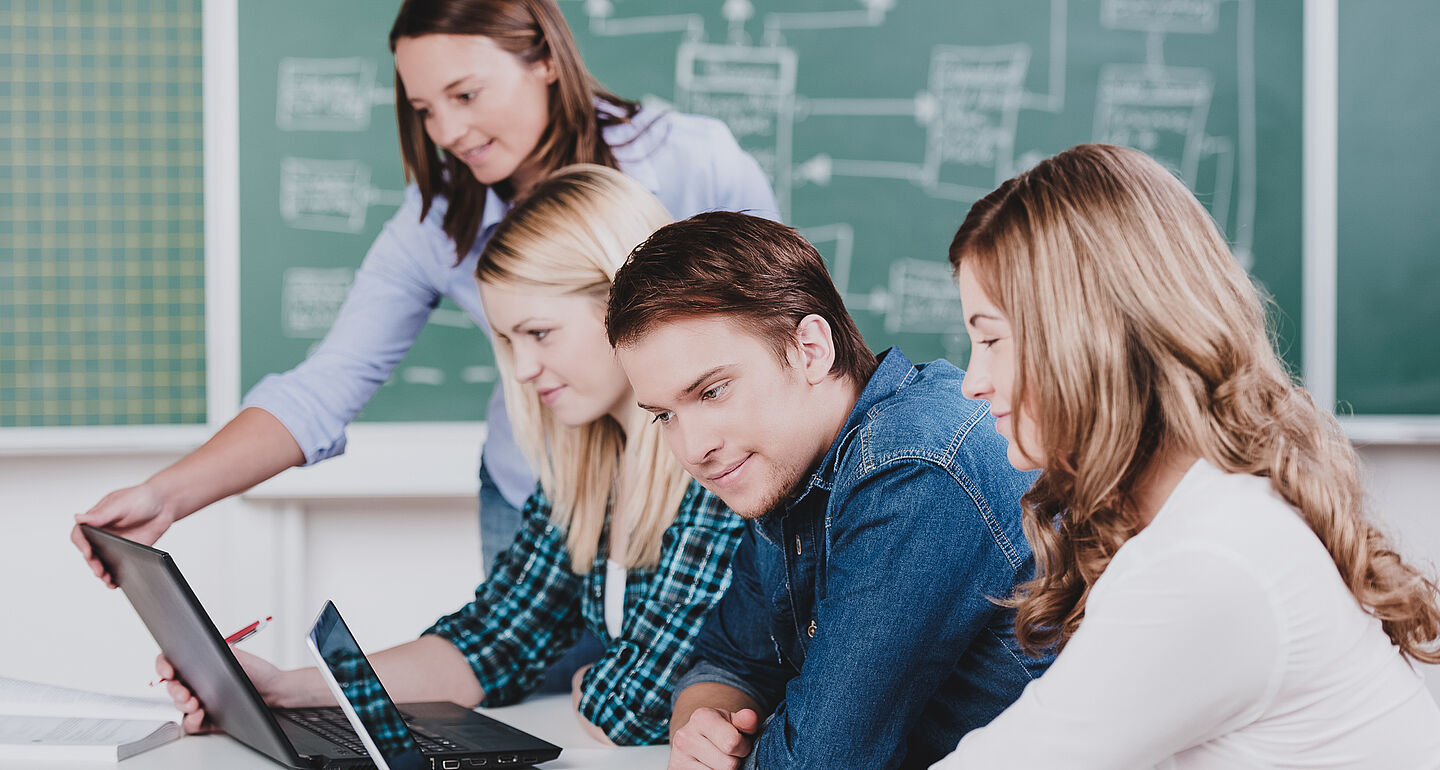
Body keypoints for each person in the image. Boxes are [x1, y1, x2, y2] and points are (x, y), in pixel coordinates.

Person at [71, 0, 774, 690]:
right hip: (562, 486)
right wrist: (167, 496)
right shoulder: (439, 222)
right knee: (543, 689)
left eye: (465, 94)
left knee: (663, 693)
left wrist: (617, 693)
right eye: (425, 110)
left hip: (685, 479)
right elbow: (324, 391)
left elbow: (770, 326)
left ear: (543, 59)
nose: (449, 130)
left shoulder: (690, 161)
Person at [160, 164, 747, 745]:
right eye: (507, 341)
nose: (523, 370)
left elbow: (638, 708)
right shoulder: (588, 467)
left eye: (539, 333)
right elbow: (493, 639)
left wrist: (596, 683)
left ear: (626, 305)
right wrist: (290, 688)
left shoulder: (713, 465)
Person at [933, 143, 1440, 768]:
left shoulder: (1209, 559)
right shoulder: (1216, 516)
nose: (972, 381)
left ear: (1087, 340)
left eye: (990, 339)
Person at [602, 212, 1050, 769]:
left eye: (713, 391)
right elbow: (728, 661)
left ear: (811, 349)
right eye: (664, 415)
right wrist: (703, 729)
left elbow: (824, 762)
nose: (693, 448)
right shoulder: (789, 466)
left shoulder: (914, 468)